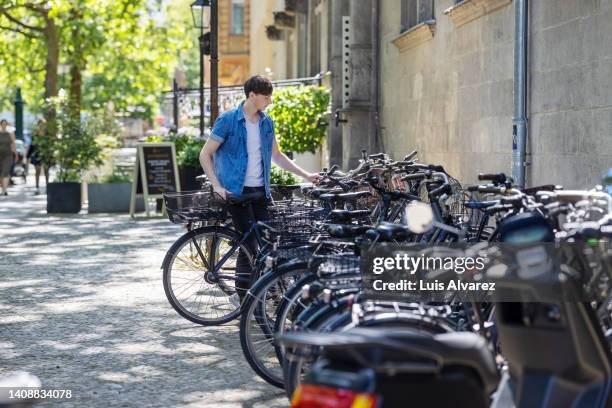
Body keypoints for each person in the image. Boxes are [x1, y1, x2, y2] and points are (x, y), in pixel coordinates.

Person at [199, 75, 321, 305]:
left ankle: (256, 294)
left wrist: (306, 176)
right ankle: (244, 298)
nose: (270, 101)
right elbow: (205, 154)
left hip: (260, 191)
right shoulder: (228, 121)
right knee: (249, 247)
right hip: (236, 191)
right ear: (251, 95)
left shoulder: (266, 122)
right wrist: (216, 186)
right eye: (266, 97)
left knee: (267, 244)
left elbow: (277, 155)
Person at [27, 119, 50, 195]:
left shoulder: (48, 134)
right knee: (37, 170)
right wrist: (28, 155)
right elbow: (31, 145)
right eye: (40, 124)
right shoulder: (34, 134)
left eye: (42, 124)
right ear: (38, 125)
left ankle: (48, 187)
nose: (41, 125)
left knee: (46, 170)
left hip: (46, 153)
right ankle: (37, 188)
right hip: (37, 153)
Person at [0, 119, 18, 196]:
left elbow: (13, 144)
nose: (4, 125)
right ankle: (2, 188)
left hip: (8, 155)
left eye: (5, 124)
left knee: (5, 172)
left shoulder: (10, 133)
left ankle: (5, 190)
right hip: (0, 155)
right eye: (3, 124)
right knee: (1, 172)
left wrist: (16, 154)